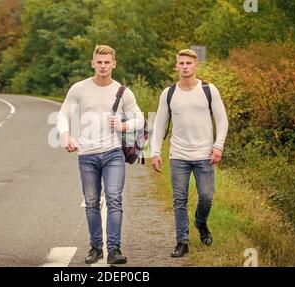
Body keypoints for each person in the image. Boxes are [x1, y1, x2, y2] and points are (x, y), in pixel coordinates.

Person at [56, 44, 144, 264]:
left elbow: (140, 119)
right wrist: (65, 135)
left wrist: (123, 126)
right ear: (92, 63)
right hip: (87, 155)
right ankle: (96, 248)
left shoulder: (123, 91)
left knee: (114, 199)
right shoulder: (79, 88)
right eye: (99, 62)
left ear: (113, 64)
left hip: (114, 153)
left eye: (107, 62)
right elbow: (63, 114)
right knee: (92, 202)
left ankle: (114, 249)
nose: (103, 66)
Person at [151, 49, 228, 258]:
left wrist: (218, 146)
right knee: (179, 199)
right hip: (179, 156)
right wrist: (155, 152)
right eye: (181, 63)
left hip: (205, 155)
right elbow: (159, 125)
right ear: (176, 67)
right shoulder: (168, 94)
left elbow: (222, 120)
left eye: (188, 63)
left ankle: (201, 223)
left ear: (195, 66)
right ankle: (182, 242)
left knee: (206, 197)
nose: (185, 67)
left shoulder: (208, 90)